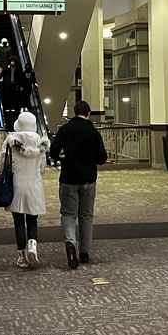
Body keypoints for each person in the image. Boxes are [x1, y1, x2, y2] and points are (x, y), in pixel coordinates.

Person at [49, 100, 107, 269]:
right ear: (88, 113)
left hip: (68, 178)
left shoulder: (65, 130)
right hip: (88, 179)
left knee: (68, 213)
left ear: (74, 113)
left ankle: (70, 243)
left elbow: (53, 152)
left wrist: (64, 158)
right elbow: (102, 158)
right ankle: (85, 252)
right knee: (86, 215)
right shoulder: (93, 132)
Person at [0, 111, 49, 269]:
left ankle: (22, 256)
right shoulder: (40, 142)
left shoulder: (10, 140)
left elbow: (2, 162)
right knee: (32, 219)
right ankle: (32, 244)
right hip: (34, 185)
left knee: (18, 221)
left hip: (16, 184)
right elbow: (42, 168)